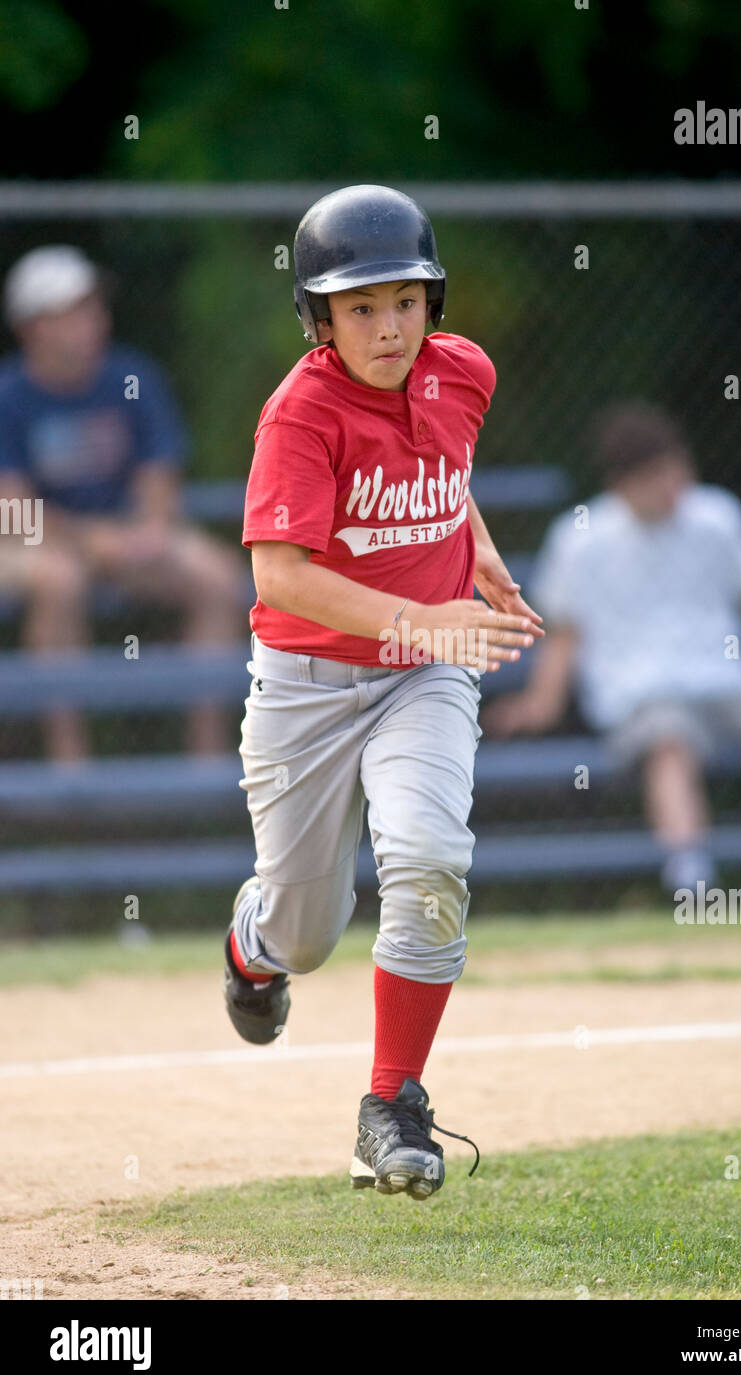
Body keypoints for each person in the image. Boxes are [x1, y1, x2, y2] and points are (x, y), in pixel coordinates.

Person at [223, 184, 543, 1200]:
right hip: (307, 684)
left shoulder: (465, 374)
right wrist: (419, 618)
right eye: (359, 307)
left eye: (403, 300)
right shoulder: (301, 411)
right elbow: (280, 575)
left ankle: (392, 1101)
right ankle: (255, 939)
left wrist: (476, 551)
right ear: (319, 320)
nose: (388, 325)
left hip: (427, 673)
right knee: (308, 933)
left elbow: (443, 468)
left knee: (428, 855)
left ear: (432, 301)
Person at [484, 401, 741, 901]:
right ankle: (693, 880)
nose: (673, 485)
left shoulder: (719, 517)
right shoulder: (580, 540)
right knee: (671, 745)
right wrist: (542, 703)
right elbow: (566, 634)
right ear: (622, 483)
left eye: (677, 468)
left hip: (732, 683)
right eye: (658, 476)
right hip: (639, 695)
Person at [0, 244, 248, 761]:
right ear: (32, 327)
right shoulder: (9, 395)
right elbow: (14, 510)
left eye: (92, 305)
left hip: (124, 537)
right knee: (59, 580)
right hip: (32, 541)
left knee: (219, 578)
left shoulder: (133, 376)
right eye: (71, 309)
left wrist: (153, 529)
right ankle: (72, 772)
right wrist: (98, 540)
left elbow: (159, 471)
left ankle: (207, 762)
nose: (91, 319)